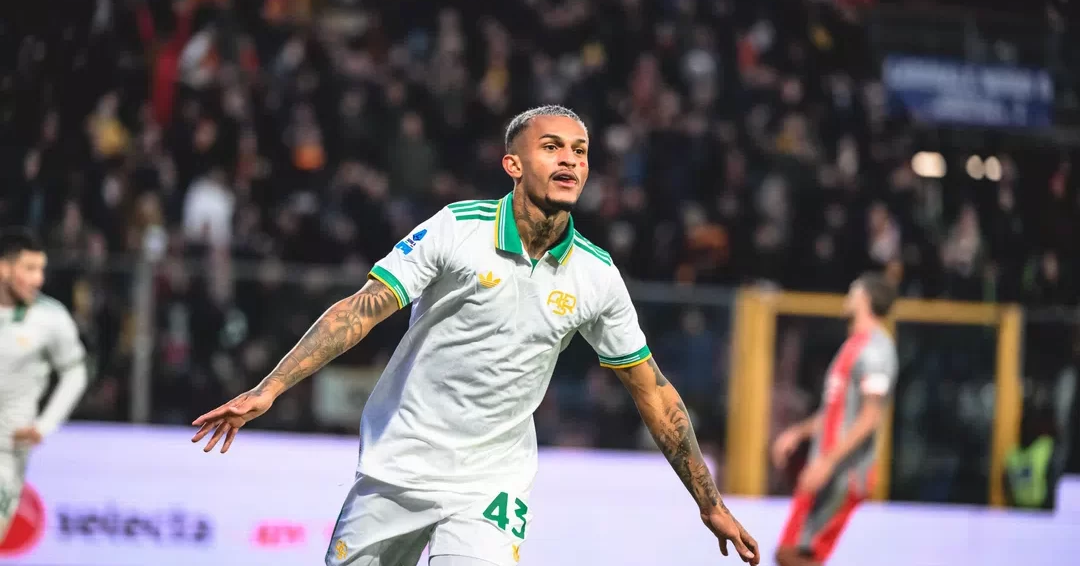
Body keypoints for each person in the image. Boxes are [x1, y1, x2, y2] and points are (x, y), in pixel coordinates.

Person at [192, 105, 760, 566]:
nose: (570, 159)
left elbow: (652, 390)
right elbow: (362, 310)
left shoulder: (597, 275)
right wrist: (270, 387)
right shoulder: (456, 229)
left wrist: (709, 502)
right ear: (513, 164)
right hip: (398, 463)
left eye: (580, 151)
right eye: (552, 147)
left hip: (492, 483)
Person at [771, 273, 898, 566]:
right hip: (826, 469)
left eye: (852, 292)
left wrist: (827, 463)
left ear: (864, 299)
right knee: (791, 553)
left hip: (843, 473)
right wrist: (798, 433)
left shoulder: (876, 350)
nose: (847, 298)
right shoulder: (852, 346)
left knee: (797, 555)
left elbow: (870, 417)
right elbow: (835, 412)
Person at [0, 228, 88, 540]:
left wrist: (44, 425)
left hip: (6, 452)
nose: (38, 279)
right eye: (29, 269)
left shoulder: (50, 318)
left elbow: (75, 373)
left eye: (41, 269)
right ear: (4, 268)